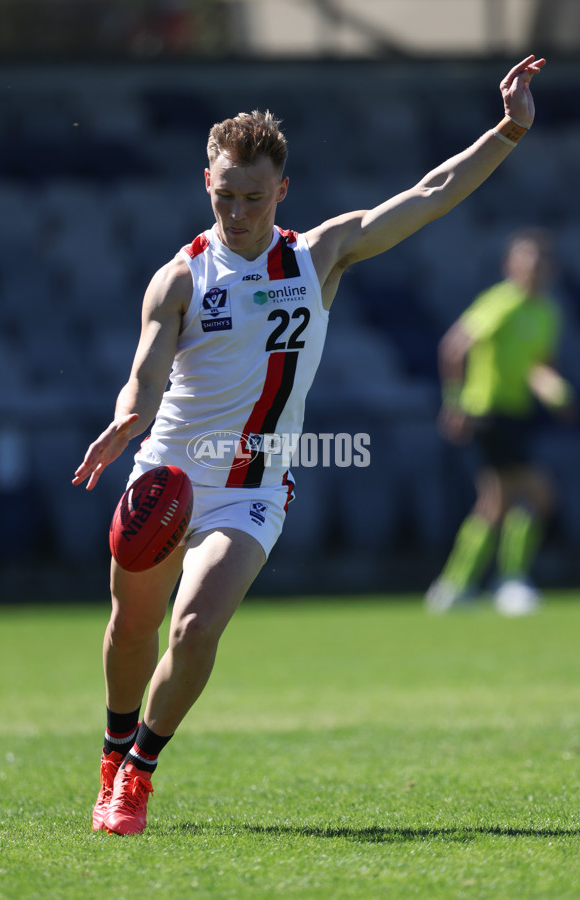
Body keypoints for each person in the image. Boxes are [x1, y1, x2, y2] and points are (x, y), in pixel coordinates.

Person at [73, 56, 545, 834]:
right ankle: (112, 749)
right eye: (226, 196)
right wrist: (128, 416)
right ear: (207, 185)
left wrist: (509, 130)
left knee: (193, 629)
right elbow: (145, 371)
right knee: (132, 628)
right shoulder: (181, 278)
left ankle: (139, 775)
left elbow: (428, 197)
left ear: (281, 192)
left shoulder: (317, 255)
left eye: (255, 197)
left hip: (251, 487)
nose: (239, 212)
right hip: (166, 473)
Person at [426, 227, 575, 616]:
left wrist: (555, 391)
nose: (535, 268)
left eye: (541, 261)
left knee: (494, 505)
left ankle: (454, 586)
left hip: (518, 413)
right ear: (511, 265)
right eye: (528, 260)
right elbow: (454, 348)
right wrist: (454, 404)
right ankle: (511, 581)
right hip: (489, 411)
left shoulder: (547, 311)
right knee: (539, 496)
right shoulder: (500, 302)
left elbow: (539, 367)